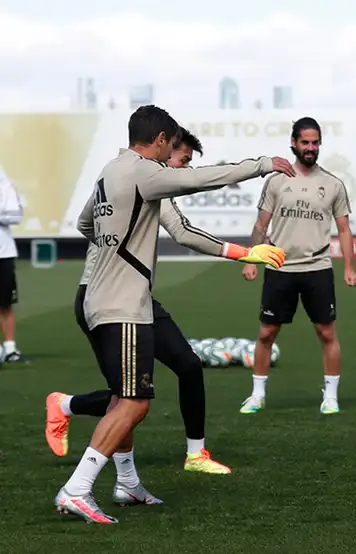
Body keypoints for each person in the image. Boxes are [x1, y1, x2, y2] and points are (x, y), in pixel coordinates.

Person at [54, 105, 294, 525]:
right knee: (134, 403)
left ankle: (127, 483)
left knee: (123, 398)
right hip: (123, 305)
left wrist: (116, 247)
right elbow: (201, 179)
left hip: (101, 298)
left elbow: (85, 224)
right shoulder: (145, 172)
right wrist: (261, 165)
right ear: (161, 139)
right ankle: (77, 488)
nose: (171, 157)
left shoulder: (109, 172)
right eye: (170, 147)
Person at [46, 128, 237, 478]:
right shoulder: (145, 179)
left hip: (135, 298)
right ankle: (103, 468)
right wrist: (243, 252)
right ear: (164, 149)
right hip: (103, 297)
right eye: (183, 161)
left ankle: (195, 454)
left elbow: (87, 223)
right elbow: (184, 233)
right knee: (127, 399)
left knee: (186, 366)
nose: (184, 170)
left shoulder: (141, 181)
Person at [239, 116, 356, 415]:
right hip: (280, 267)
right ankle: (257, 395)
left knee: (326, 333)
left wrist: (349, 267)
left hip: (318, 268)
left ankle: (331, 396)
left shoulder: (332, 184)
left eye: (315, 143)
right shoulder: (276, 181)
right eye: (305, 142)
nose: (310, 147)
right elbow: (261, 225)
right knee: (266, 333)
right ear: (293, 143)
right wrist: (251, 260)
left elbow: (344, 230)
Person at [0, 165, 26, 363]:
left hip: (3, 253)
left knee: (5, 302)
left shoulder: (4, 183)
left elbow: (16, 214)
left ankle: (9, 348)